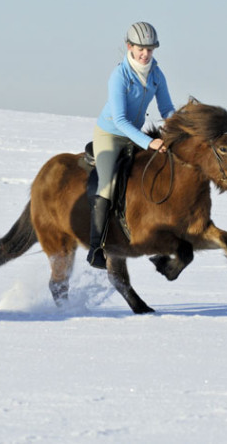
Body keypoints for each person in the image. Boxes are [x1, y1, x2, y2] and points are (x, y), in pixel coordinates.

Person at [87, 21, 175, 269]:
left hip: (135, 134)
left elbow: (167, 108)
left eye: (150, 49)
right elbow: (121, 120)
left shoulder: (156, 73)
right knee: (108, 184)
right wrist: (150, 142)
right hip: (111, 134)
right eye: (140, 49)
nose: (145, 54)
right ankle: (96, 249)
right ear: (129, 47)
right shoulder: (119, 76)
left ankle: (154, 243)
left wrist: (177, 127)